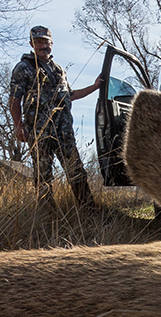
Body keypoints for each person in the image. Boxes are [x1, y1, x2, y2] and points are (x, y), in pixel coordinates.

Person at [8, 25, 102, 210]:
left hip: (64, 132)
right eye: (39, 42)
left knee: (76, 171)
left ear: (52, 44)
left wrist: (94, 86)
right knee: (43, 176)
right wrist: (19, 126)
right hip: (40, 132)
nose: (43, 46)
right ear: (31, 44)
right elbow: (14, 100)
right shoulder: (24, 67)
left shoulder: (58, 70)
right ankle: (48, 217)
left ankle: (89, 211)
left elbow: (70, 95)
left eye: (46, 42)